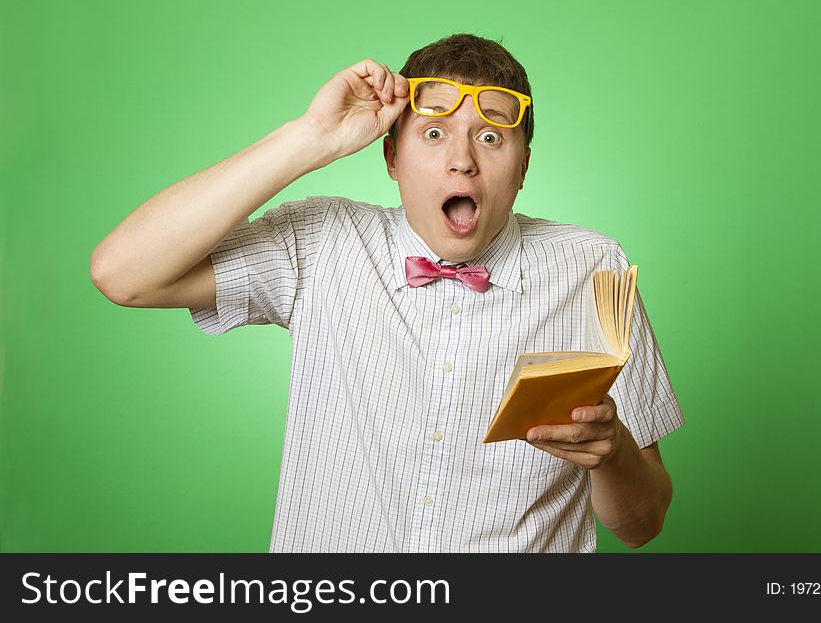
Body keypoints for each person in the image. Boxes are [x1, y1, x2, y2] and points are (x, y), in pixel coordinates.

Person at [90, 33, 684, 552]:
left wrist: (613, 455)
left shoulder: (592, 270)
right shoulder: (323, 241)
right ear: (391, 156)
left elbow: (643, 523)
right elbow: (123, 272)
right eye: (432, 133)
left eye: (491, 139)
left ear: (523, 166)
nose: (462, 162)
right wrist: (311, 136)